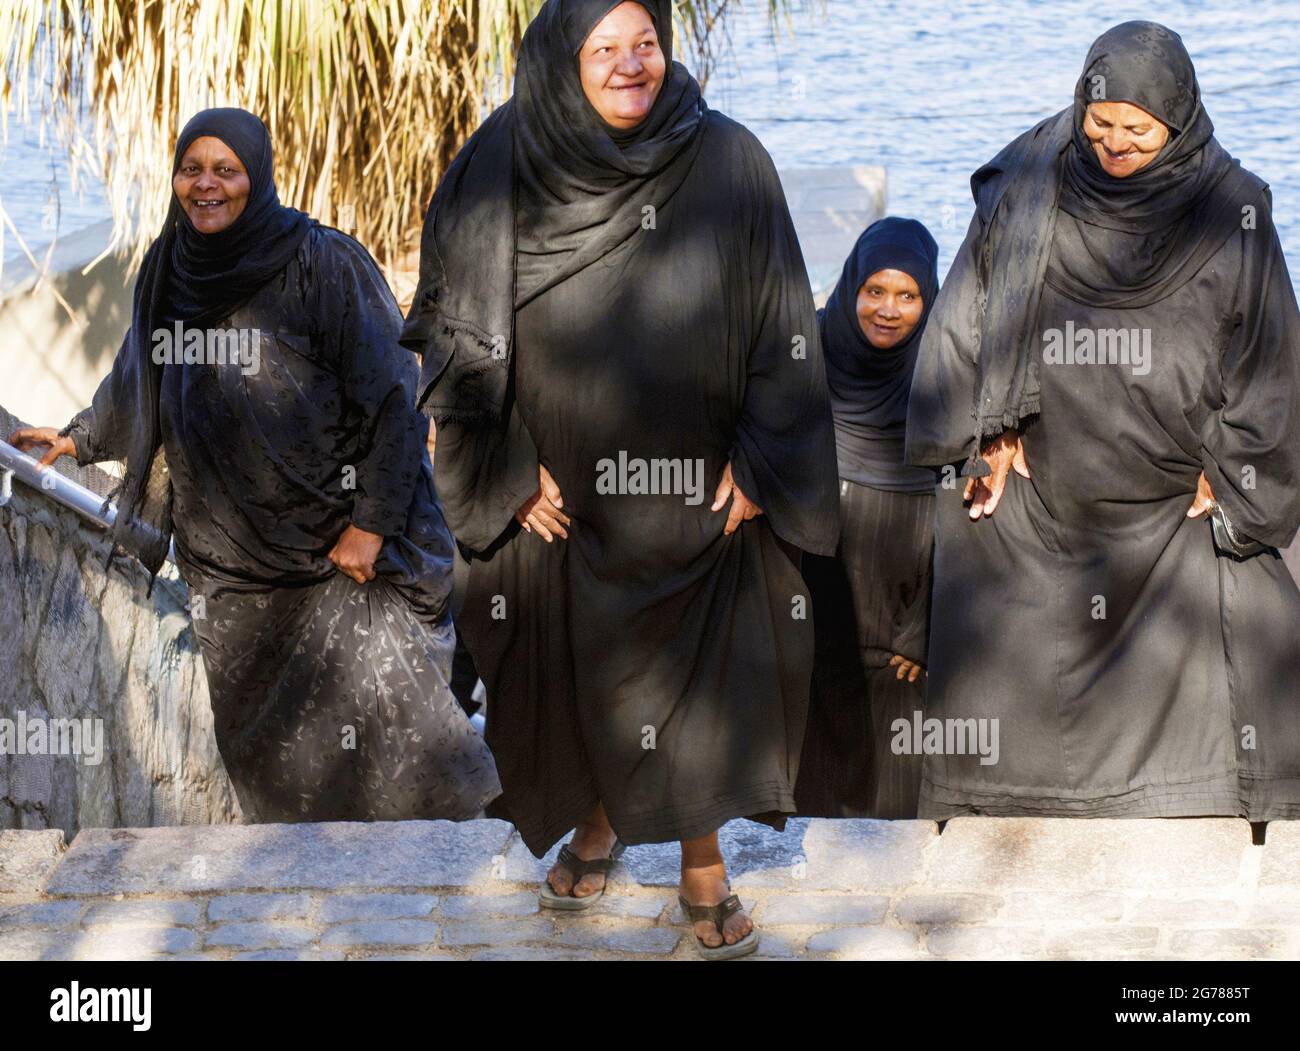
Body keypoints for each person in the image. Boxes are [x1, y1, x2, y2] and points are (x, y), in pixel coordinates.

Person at [400, 0, 839, 958]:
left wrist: (767, 463)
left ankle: (701, 862)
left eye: (645, 43)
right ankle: (597, 821)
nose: (631, 65)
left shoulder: (726, 159)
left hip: (700, 493)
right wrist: (508, 471)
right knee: (582, 668)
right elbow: (452, 329)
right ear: (565, 56)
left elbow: (783, 318)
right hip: (559, 496)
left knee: (694, 672)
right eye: (606, 48)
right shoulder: (499, 163)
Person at [9, 107, 499, 823]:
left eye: (226, 170)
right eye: (191, 168)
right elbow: (139, 377)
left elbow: (397, 397)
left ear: (257, 176)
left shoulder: (320, 264)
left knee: (412, 757)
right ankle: (312, 911)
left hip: (341, 566)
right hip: (232, 584)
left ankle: (437, 895)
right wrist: (79, 438)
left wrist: (370, 526)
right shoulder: (167, 269)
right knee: (277, 774)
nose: (206, 185)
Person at [905, 21, 1300, 820]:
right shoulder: (1026, 184)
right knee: (972, 535)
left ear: (1179, 122)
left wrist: (1236, 478)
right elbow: (967, 316)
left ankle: (1213, 792)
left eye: (1137, 129)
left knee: (1260, 626)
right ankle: (997, 795)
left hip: (1172, 494)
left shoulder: (1236, 209)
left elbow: (1271, 359)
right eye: (1100, 125)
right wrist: (985, 430)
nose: (1115, 143)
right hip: (1045, 477)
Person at [796, 217, 939, 819]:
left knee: (897, 767)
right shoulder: (808, 358)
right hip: (817, 596)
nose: (888, 309)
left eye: (908, 296)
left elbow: (970, 512)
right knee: (816, 748)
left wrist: (927, 622)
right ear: (851, 286)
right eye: (875, 291)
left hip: (905, 614)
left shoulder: (949, 375)